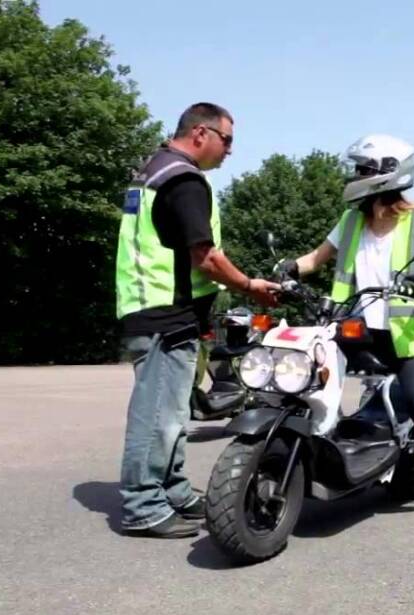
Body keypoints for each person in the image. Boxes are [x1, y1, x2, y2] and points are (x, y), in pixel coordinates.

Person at [114, 102, 279, 538]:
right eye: (227, 141)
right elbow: (204, 257)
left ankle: (173, 490)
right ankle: (143, 505)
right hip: (164, 313)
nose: (230, 152)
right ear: (201, 134)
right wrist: (250, 285)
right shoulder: (184, 180)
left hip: (154, 309)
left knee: (173, 413)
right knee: (157, 414)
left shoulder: (154, 168)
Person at [279, 134, 414, 520]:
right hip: (355, 329)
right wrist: (289, 269)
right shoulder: (351, 220)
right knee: (303, 373)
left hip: (407, 336)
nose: (355, 175)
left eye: (363, 169)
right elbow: (316, 258)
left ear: (390, 174)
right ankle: (320, 445)